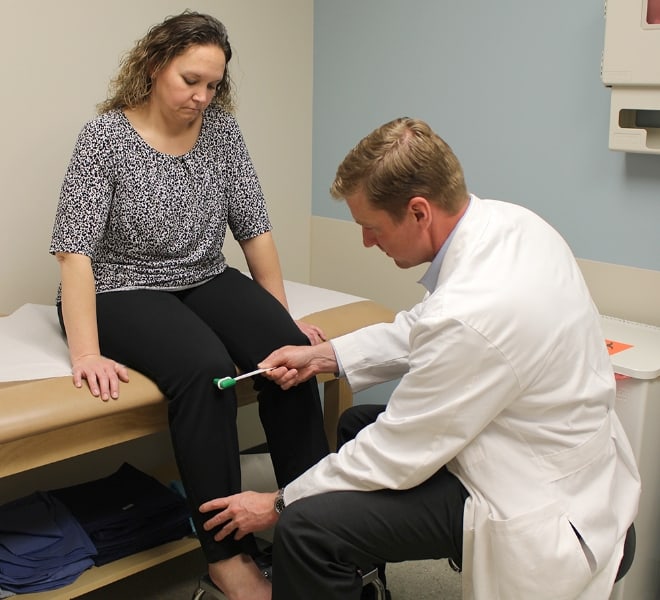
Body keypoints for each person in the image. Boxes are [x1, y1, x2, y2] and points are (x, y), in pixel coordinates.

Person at [199, 117, 641, 599]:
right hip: (547, 445)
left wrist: (280, 502)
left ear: (418, 212)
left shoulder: (475, 311)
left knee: (306, 528)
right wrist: (324, 356)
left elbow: (400, 448)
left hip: (535, 496)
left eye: (371, 228)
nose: (368, 242)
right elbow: (429, 326)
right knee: (353, 427)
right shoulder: (512, 225)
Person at [49, 11, 329, 600]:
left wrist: (279, 324)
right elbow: (75, 254)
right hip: (120, 287)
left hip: (203, 274)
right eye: (190, 80)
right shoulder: (104, 139)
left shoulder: (221, 132)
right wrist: (85, 351)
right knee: (207, 373)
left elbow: (255, 230)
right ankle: (226, 554)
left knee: (294, 361)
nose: (202, 96)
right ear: (154, 68)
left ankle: (310, 518)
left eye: (213, 85)